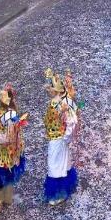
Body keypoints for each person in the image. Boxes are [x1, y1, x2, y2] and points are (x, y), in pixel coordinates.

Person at [0, 85, 28, 215]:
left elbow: (14, 135)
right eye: (1, 95)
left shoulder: (13, 115)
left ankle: (7, 195)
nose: (2, 98)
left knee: (8, 173)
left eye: (5, 95)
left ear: (10, 98)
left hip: (9, 150)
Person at [42, 68, 79, 206]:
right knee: (61, 163)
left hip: (58, 139)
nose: (48, 90)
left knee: (55, 165)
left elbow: (72, 120)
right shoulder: (55, 103)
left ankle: (60, 192)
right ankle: (62, 190)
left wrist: (66, 137)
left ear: (56, 90)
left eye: (51, 88)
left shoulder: (60, 105)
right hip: (56, 138)